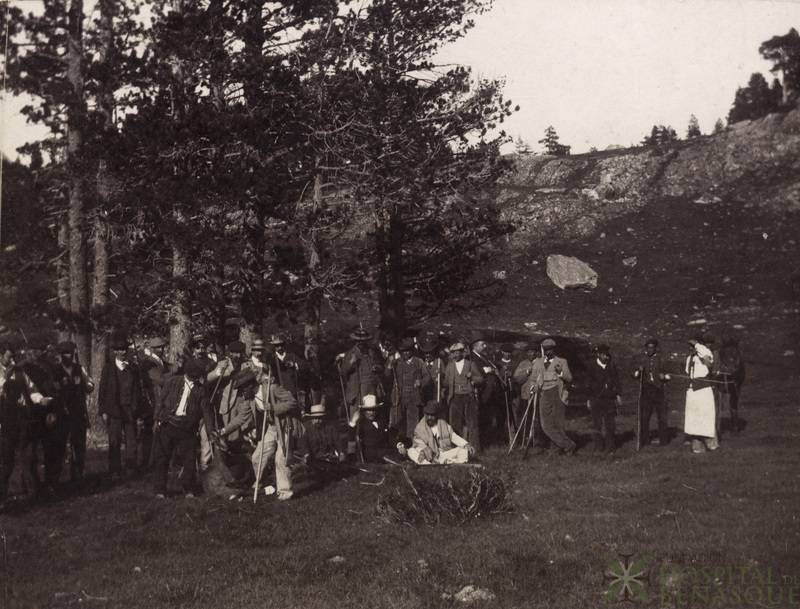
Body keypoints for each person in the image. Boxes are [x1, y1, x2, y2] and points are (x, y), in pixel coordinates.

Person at [152, 358, 217, 498]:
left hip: (187, 429)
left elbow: (207, 411)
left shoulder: (200, 389)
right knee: (162, 458)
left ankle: (189, 490)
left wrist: (211, 430)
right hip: (168, 424)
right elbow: (160, 400)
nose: (194, 378)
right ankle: (160, 491)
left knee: (189, 461)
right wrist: (156, 419)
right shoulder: (172, 381)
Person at [1, 344, 54, 505]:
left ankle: (32, 495)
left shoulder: (19, 371)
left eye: (14, 357)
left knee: (29, 456)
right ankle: (2, 498)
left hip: (22, 419)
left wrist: (40, 399)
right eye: (9, 356)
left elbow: (31, 390)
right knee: (6, 461)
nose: (12, 359)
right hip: (4, 421)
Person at [244, 361, 302, 500]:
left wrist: (273, 407)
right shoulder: (252, 398)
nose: (242, 392)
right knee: (257, 457)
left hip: (284, 426)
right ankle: (263, 483)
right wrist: (223, 431)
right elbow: (241, 417)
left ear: (251, 385)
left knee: (280, 459)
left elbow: (293, 402)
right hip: (271, 427)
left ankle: (285, 492)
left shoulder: (272, 388)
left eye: (243, 388)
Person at [98, 336, 144, 480]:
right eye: (119, 350)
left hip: (130, 410)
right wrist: (103, 411)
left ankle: (131, 469)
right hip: (114, 411)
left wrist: (138, 410)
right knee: (115, 442)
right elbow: (102, 391)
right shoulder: (108, 368)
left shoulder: (133, 368)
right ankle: (114, 471)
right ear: (114, 352)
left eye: (124, 349)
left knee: (131, 442)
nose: (122, 352)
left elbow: (138, 390)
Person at [50, 341, 94, 485]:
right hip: (62, 414)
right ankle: (55, 480)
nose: (68, 356)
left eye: (70, 353)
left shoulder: (79, 369)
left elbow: (90, 384)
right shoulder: (54, 371)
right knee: (59, 446)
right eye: (65, 353)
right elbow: (49, 391)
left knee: (79, 445)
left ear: (74, 354)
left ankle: (77, 477)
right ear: (61, 355)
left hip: (78, 413)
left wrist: (84, 385)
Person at [523, 338, 575, 456]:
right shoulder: (538, 362)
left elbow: (569, 378)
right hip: (543, 395)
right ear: (543, 350)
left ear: (554, 349)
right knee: (545, 424)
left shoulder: (562, 361)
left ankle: (555, 450)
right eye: (546, 350)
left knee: (558, 423)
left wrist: (560, 373)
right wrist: (533, 388)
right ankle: (568, 444)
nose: (548, 352)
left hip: (558, 394)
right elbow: (533, 379)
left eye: (550, 350)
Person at [386, 337, 430, 441]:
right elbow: (387, 376)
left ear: (412, 350)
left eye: (407, 350)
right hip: (398, 397)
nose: (404, 353)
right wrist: (389, 365)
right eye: (402, 351)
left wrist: (421, 382)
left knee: (413, 423)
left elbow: (428, 378)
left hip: (414, 398)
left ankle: (411, 446)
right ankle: (395, 445)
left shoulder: (419, 362)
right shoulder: (396, 363)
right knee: (395, 422)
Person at [404, 400, 474, 465]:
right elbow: (418, 443)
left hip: (443, 454)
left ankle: (449, 463)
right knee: (411, 451)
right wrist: (423, 451)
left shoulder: (443, 424)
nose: (429, 417)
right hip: (429, 456)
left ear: (437, 414)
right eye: (427, 415)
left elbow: (453, 436)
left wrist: (466, 445)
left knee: (463, 450)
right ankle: (428, 465)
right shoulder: (420, 428)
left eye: (432, 415)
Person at [443, 342, 484, 452]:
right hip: (455, 397)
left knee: (472, 424)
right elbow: (446, 383)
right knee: (455, 425)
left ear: (462, 353)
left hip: (468, 397)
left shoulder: (470, 364)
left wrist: (472, 378)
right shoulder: (450, 366)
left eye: (457, 353)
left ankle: (475, 450)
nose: (455, 355)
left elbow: (480, 379)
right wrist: (440, 379)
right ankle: (457, 450)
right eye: (453, 353)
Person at [338, 328, 384, 419]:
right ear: (355, 341)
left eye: (363, 341)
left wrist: (378, 368)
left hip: (371, 390)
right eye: (358, 341)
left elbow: (380, 365)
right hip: (357, 390)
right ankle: (355, 432)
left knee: (371, 415)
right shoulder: (350, 354)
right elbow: (342, 373)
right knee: (357, 416)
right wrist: (351, 362)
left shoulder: (371, 352)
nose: (361, 343)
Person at [684, 337, 719, 453]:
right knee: (693, 419)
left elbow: (707, 355)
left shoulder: (705, 356)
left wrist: (697, 344)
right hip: (692, 392)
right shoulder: (689, 358)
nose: (691, 348)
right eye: (690, 346)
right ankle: (697, 447)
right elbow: (688, 373)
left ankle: (712, 445)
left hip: (704, 391)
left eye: (693, 346)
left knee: (706, 417)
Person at [634, 338, 670, 447]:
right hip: (647, 391)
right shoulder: (643, 360)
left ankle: (663, 441)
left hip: (659, 391)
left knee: (662, 416)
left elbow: (670, 374)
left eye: (651, 348)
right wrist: (638, 372)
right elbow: (635, 374)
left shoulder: (661, 360)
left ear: (656, 348)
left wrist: (665, 376)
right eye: (647, 348)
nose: (649, 350)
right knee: (645, 416)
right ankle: (645, 440)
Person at [586, 344, 621, 455]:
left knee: (610, 424)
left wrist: (619, 395)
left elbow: (617, 381)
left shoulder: (611, 366)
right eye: (603, 355)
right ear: (598, 354)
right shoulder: (592, 366)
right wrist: (588, 399)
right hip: (596, 399)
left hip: (609, 399)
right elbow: (588, 384)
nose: (605, 357)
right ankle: (598, 447)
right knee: (597, 423)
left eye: (607, 355)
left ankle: (610, 447)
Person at [513, 342, 547, 451]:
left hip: (539, 396)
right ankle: (526, 439)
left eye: (532, 352)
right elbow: (517, 378)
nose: (529, 354)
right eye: (528, 352)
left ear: (537, 353)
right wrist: (527, 372)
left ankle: (540, 442)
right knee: (526, 419)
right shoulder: (523, 364)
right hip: (525, 396)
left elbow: (546, 377)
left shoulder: (542, 362)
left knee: (539, 419)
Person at [348, 394, 402, 463]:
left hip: (383, 450)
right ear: (364, 412)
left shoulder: (381, 421)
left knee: (401, 452)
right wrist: (353, 422)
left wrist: (399, 445)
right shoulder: (361, 423)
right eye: (369, 411)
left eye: (373, 410)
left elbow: (389, 437)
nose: (371, 413)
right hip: (369, 454)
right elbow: (351, 437)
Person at [717, 337, 745, 433]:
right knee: (720, 404)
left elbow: (742, 374)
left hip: (735, 382)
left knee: (733, 402)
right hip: (722, 381)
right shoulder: (720, 354)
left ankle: (734, 426)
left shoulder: (738, 358)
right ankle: (718, 428)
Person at [270, 333, 305, 405]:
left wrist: (294, 364)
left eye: (281, 345)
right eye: (277, 346)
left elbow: (304, 365)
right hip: (279, 390)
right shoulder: (272, 359)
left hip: (292, 388)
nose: (279, 347)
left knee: (294, 407)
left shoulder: (291, 356)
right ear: (274, 346)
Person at [419, 334, 446, 406]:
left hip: (437, 392)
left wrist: (442, 391)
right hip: (426, 394)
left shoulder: (439, 362)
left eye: (430, 353)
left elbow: (446, 380)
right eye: (426, 353)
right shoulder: (422, 364)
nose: (428, 355)